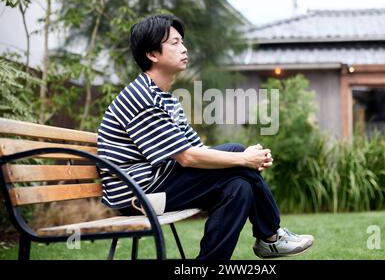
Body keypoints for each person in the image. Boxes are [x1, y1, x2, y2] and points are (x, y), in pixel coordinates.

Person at [97, 14, 314, 260]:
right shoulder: (142, 97)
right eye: (175, 43)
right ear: (152, 54)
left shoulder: (165, 99)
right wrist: (244, 159)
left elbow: (198, 148)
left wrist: (248, 158)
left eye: (182, 42)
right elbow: (188, 158)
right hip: (138, 194)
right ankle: (271, 236)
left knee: (238, 187)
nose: (184, 49)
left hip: (158, 184)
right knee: (235, 152)